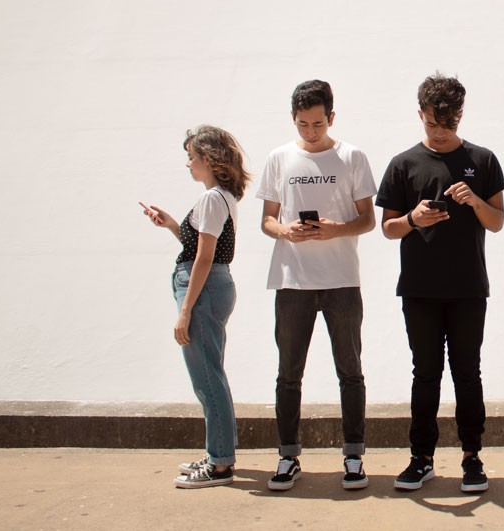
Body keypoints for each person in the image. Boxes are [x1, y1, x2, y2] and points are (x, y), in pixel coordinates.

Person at [376, 72, 504, 493]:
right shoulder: (403, 163)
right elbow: (388, 229)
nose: (440, 132)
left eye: (448, 124)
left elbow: (499, 221)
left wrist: (475, 200)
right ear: (420, 114)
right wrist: (413, 219)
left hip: (469, 288)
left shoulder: (483, 160)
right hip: (419, 289)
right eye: (432, 124)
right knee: (425, 373)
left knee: (467, 373)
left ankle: (472, 457)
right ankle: (422, 458)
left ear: (461, 116)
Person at [256, 79, 377, 491]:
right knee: (288, 373)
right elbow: (267, 220)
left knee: (351, 371)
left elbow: (368, 220)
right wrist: (285, 231)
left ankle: (354, 456)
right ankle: (288, 456)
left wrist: (335, 230)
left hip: (342, 280)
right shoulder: (278, 158)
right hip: (292, 281)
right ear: (293, 119)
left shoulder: (352, 156)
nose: (311, 131)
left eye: (318, 123)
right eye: (303, 124)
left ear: (332, 117)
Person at [139, 125, 251, 488]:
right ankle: (219, 452)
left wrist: (185, 310)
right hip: (211, 286)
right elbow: (205, 250)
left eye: (191, 156)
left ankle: (220, 464)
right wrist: (173, 225)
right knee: (210, 373)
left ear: (207, 158)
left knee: (206, 378)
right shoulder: (222, 198)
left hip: (202, 289)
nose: (188, 163)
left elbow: (204, 258)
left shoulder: (211, 199)